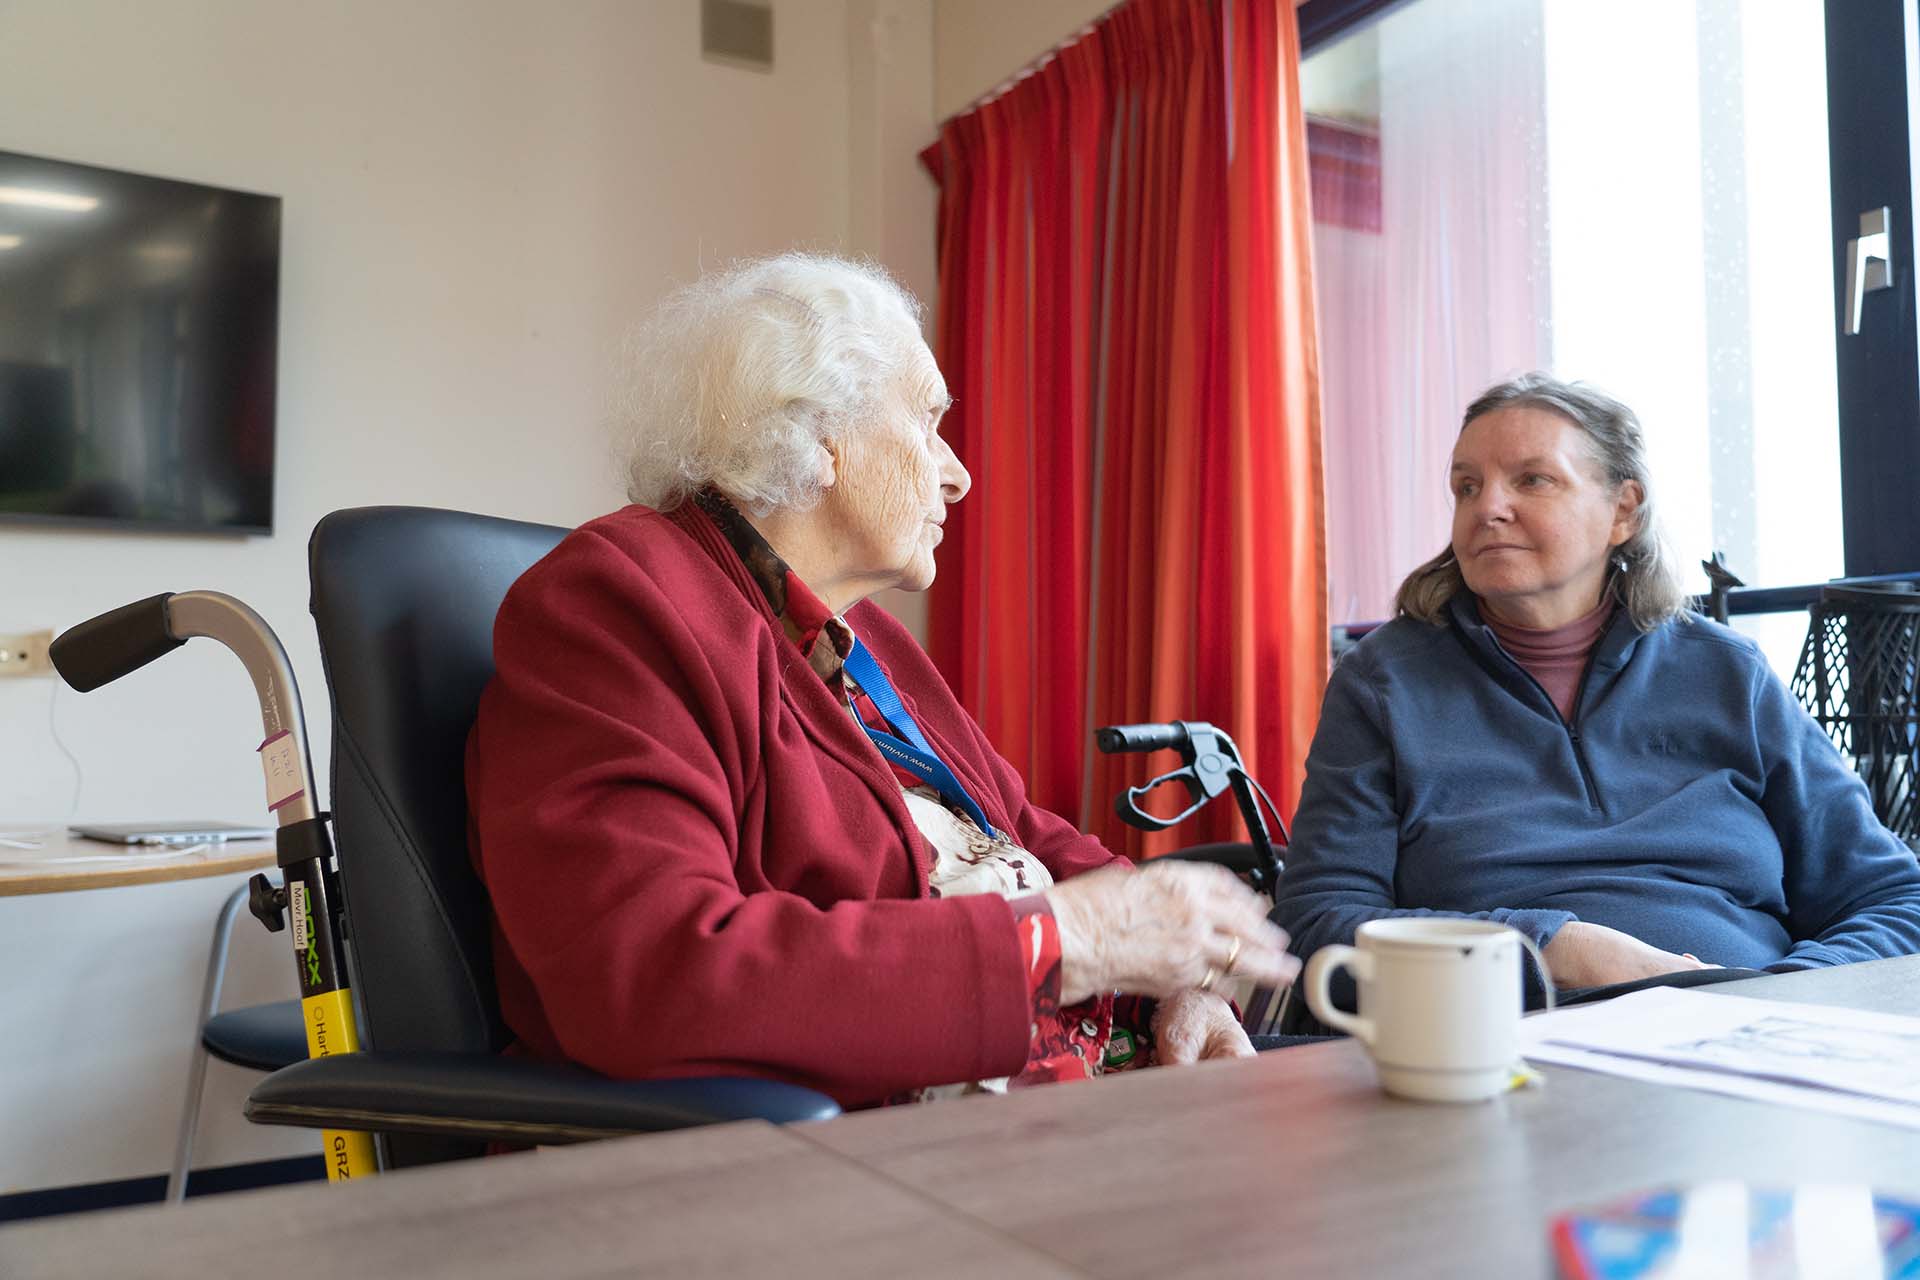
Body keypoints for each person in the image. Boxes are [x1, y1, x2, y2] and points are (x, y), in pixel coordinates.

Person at [466, 252, 1295, 1108]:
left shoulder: (865, 638)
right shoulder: (616, 605)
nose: (958, 473)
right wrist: (1073, 943)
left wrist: (1176, 976)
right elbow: (651, 973)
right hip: (868, 1166)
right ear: (821, 435)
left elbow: (1018, 832)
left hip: (1081, 1100)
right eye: (928, 422)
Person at [1271, 372, 1920, 998]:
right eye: (1466, 486)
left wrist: (1778, 1000)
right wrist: (1547, 950)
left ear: (1622, 511)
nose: (1488, 507)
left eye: (1532, 479)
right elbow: (1319, 924)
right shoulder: (1383, 683)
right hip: (1509, 1044)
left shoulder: (1729, 675)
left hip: (1749, 1036)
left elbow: (1892, 897)